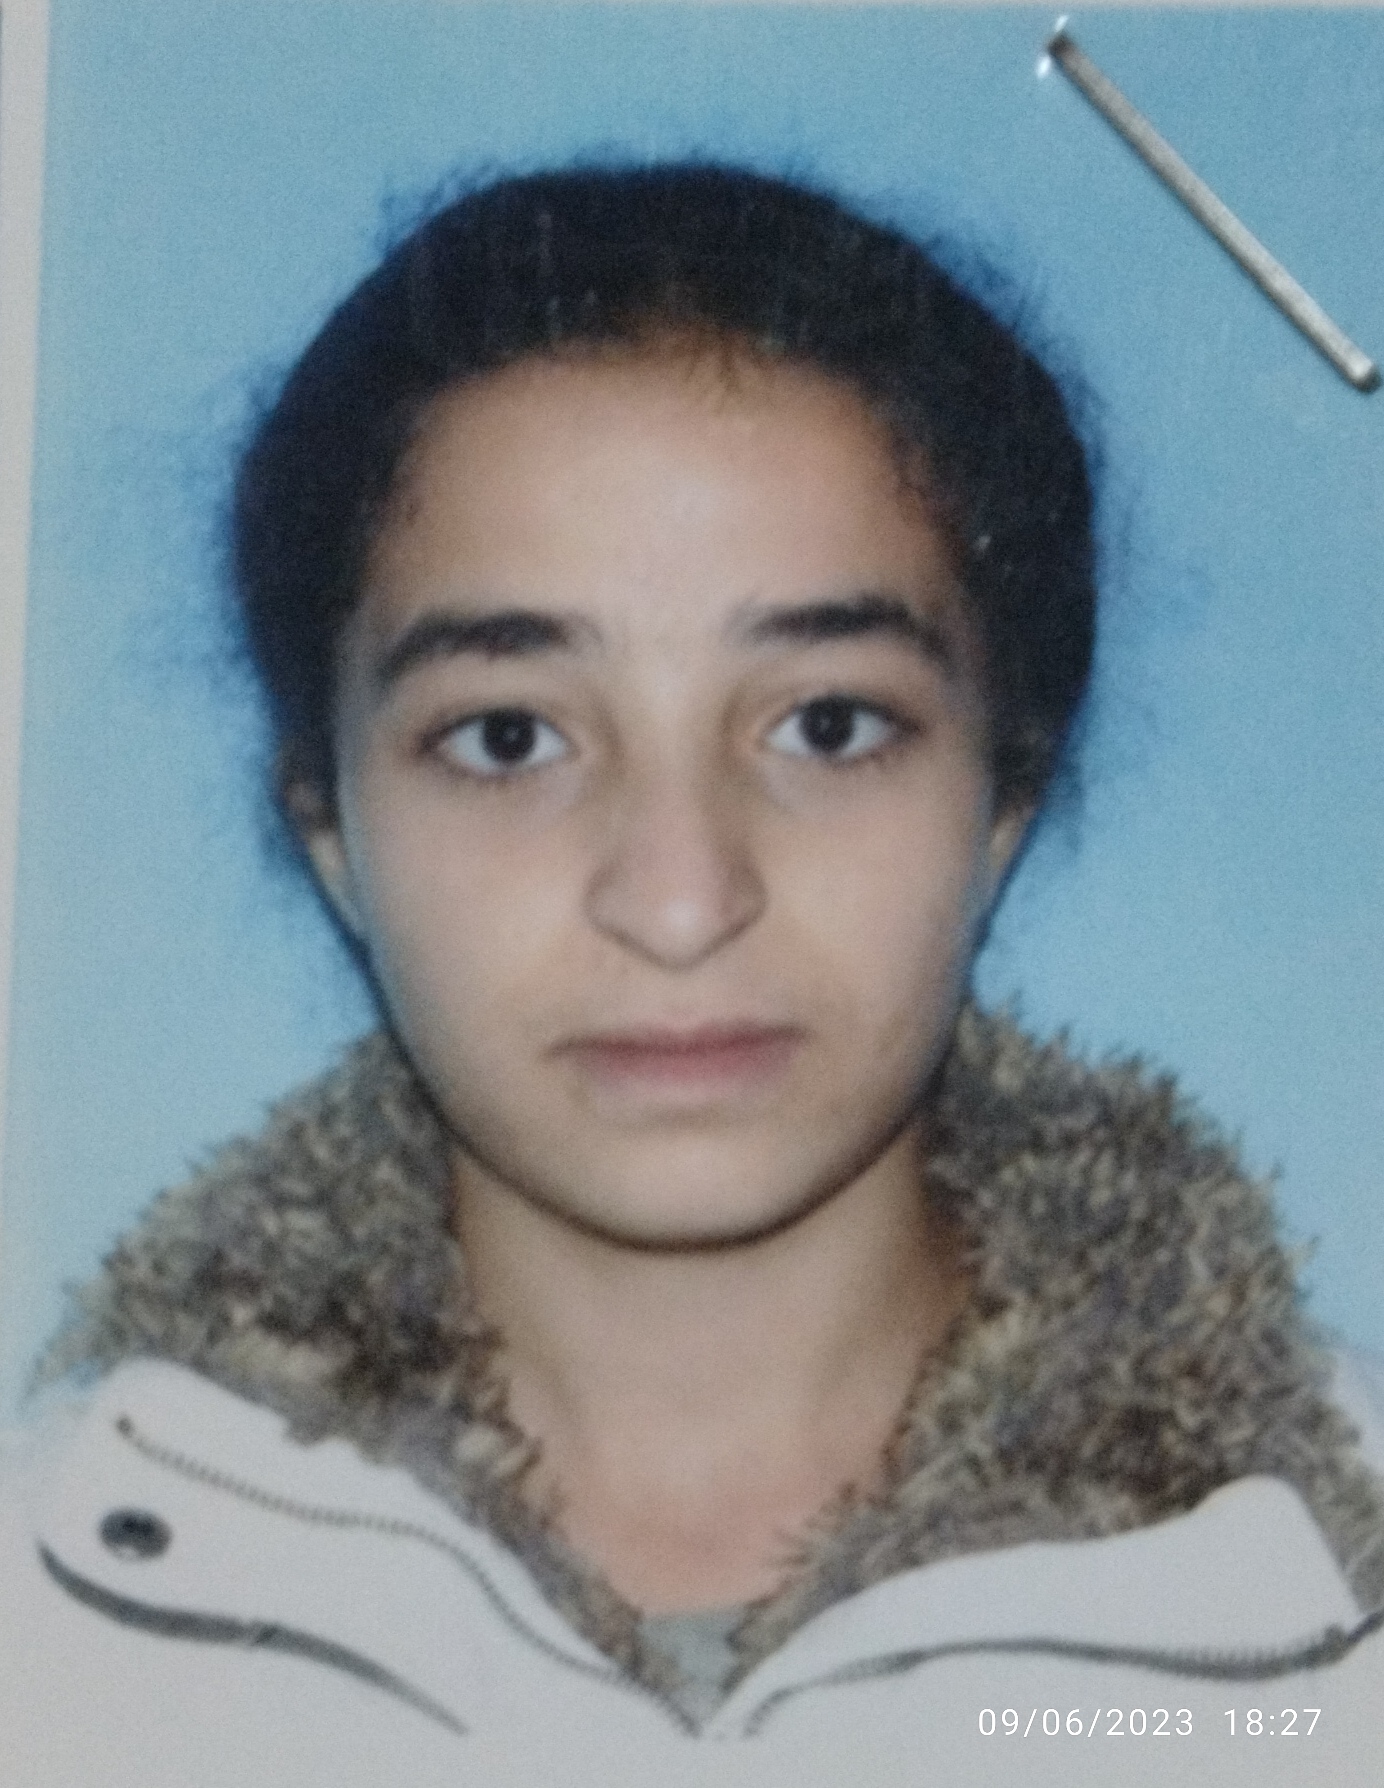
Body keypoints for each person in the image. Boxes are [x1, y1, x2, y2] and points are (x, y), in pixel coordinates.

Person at [1, 164, 1380, 1788]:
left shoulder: (1336, 1602)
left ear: (1001, 802)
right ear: (330, 831)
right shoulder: (55, 1626)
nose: (678, 901)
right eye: (507, 738)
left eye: (828, 725)